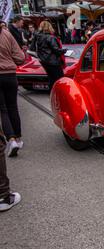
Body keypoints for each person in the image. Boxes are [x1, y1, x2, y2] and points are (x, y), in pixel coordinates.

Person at [0, 25, 25, 158]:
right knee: (13, 107)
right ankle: (19, 138)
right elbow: (20, 57)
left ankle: (11, 140)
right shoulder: (7, 34)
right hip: (10, 75)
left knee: (3, 109)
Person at [30, 21, 67, 91]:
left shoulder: (38, 37)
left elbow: (32, 49)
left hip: (44, 61)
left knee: (51, 78)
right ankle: (59, 93)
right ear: (50, 27)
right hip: (53, 61)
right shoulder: (51, 37)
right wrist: (65, 51)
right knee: (59, 79)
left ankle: (52, 93)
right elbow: (56, 50)